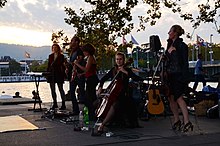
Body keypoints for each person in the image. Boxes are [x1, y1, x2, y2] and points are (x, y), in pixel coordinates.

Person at [96, 52, 144, 134]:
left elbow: (138, 79)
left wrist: (125, 72)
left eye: (120, 59)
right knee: (97, 102)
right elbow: (103, 79)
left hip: (124, 96)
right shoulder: (113, 70)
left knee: (114, 105)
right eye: (117, 59)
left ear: (124, 60)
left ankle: (102, 124)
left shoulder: (128, 70)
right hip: (114, 94)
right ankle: (105, 120)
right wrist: (100, 87)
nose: (118, 61)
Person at [164, 25, 193, 132]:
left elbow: (183, 62)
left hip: (178, 75)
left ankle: (187, 121)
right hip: (170, 75)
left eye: (170, 31)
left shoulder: (181, 45)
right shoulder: (169, 44)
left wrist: (173, 53)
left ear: (175, 33)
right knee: (171, 97)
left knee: (179, 97)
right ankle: (177, 120)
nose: (168, 33)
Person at [74, 43, 99, 121]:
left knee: (89, 98)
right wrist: (81, 74)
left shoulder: (91, 57)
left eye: (84, 51)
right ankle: (92, 114)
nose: (83, 53)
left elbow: (86, 69)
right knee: (91, 97)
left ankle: (91, 115)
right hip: (90, 78)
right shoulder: (88, 58)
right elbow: (89, 71)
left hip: (92, 79)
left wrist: (77, 64)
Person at [67, 36, 85, 115]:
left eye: (72, 41)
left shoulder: (80, 50)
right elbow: (72, 62)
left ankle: (87, 109)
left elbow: (79, 60)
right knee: (72, 91)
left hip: (79, 74)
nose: (71, 42)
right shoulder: (72, 51)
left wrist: (74, 64)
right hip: (73, 74)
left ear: (77, 42)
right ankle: (75, 110)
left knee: (82, 92)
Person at [47, 43, 66, 110]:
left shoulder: (61, 56)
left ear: (58, 48)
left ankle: (63, 103)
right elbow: (49, 65)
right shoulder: (50, 56)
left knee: (61, 89)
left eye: (56, 48)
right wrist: (47, 73)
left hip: (59, 74)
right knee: (52, 89)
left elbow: (61, 65)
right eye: (53, 48)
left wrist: (64, 75)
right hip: (52, 74)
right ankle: (55, 103)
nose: (54, 49)